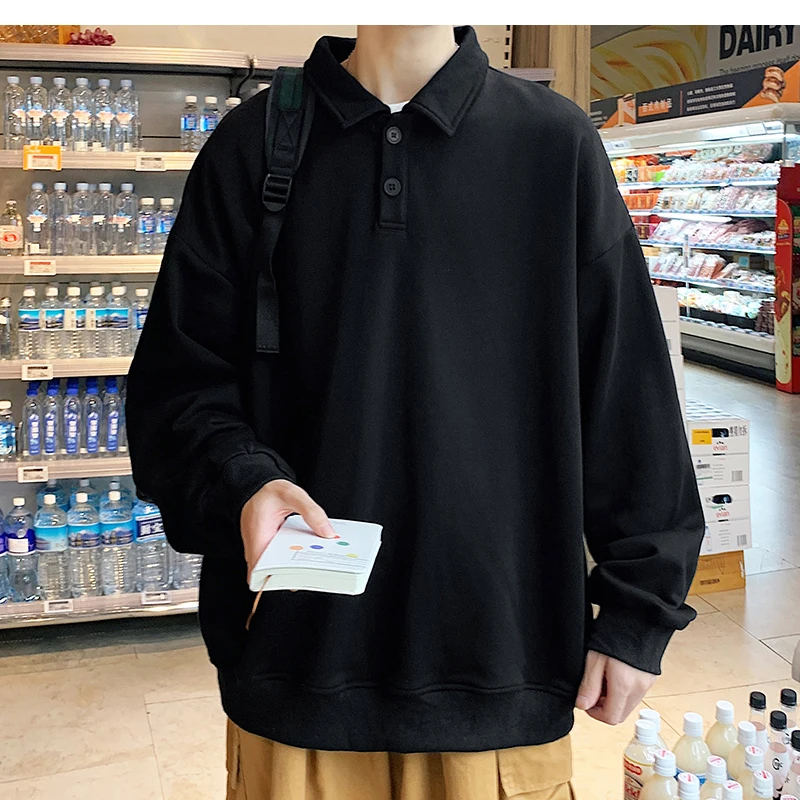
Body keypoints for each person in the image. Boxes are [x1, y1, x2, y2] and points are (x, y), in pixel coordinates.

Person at [126, 24, 705, 800]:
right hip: (299, 670)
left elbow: (628, 396)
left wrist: (639, 611)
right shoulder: (251, 143)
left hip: (502, 668)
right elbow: (177, 384)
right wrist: (246, 480)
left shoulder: (553, 144)